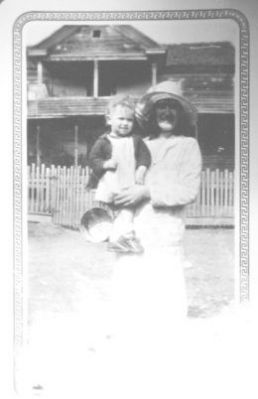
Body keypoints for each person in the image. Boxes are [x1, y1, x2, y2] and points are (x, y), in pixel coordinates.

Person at [111, 80, 202, 352]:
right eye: (161, 106)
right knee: (130, 294)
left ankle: (167, 357)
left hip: (165, 230)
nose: (167, 112)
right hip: (136, 228)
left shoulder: (188, 145)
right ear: (151, 113)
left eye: (173, 107)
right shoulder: (140, 144)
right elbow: (126, 184)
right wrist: (122, 211)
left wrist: (148, 192)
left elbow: (188, 190)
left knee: (166, 301)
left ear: (181, 115)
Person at [88, 95, 151, 254]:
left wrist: (141, 169)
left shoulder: (136, 140)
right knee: (122, 212)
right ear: (109, 120)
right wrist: (105, 164)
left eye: (129, 120)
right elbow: (93, 159)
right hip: (111, 184)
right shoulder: (103, 141)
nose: (125, 123)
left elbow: (145, 156)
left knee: (126, 212)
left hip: (129, 182)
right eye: (120, 119)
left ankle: (119, 239)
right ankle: (124, 238)